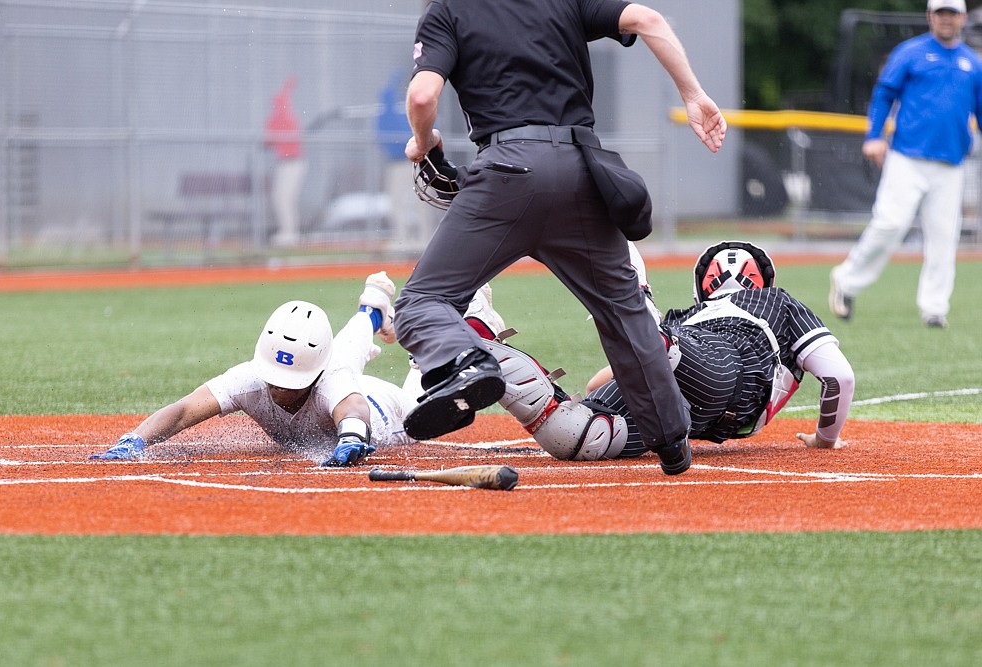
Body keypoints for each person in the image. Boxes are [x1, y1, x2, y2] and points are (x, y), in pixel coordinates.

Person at [394, 1, 727, 476]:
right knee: (621, 308)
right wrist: (692, 94)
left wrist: (423, 142)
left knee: (423, 300)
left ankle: (468, 363)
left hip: (506, 176)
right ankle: (672, 441)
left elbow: (424, 96)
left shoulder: (448, 9)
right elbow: (648, 19)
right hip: (582, 173)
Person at [501, 241, 856, 461]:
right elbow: (839, 377)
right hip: (718, 380)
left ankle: (486, 358)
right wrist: (825, 439)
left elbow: (597, 383)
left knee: (578, 434)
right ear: (763, 282)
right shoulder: (778, 301)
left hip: (682, 365)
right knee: (575, 440)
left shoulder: (686, 316)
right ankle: (637, 314)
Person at [90, 273, 406, 466]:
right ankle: (373, 310)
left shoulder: (332, 381)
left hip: (386, 411)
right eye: (274, 380)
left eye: (291, 383)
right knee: (346, 351)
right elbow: (185, 409)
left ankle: (393, 333)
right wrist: (135, 439)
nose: (279, 389)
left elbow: (354, 409)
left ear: (315, 374)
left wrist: (351, 438)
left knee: (421, 406)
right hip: (334, 368)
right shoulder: (251, 377)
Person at [828, 0, 982, 329]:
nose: (945, 19)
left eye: (951, 13)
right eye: (940, 12)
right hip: (906, 157)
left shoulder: (972, 63)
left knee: (944, 237)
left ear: (962, 18)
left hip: (950, 163)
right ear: (930, 16)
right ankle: (846, 280)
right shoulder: (910, 52)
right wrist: (873, 135)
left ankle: (935, 308)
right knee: (890, 224)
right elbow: (884, 94)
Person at [265, 76, 308, 247]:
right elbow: (267, 141)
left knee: (286, 198)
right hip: (284, 163)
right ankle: (287, 232)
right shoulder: (276, 119)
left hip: (294, 163)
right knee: (279, 197)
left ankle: (290, 233)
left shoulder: (289, 119)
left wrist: (288, 88)